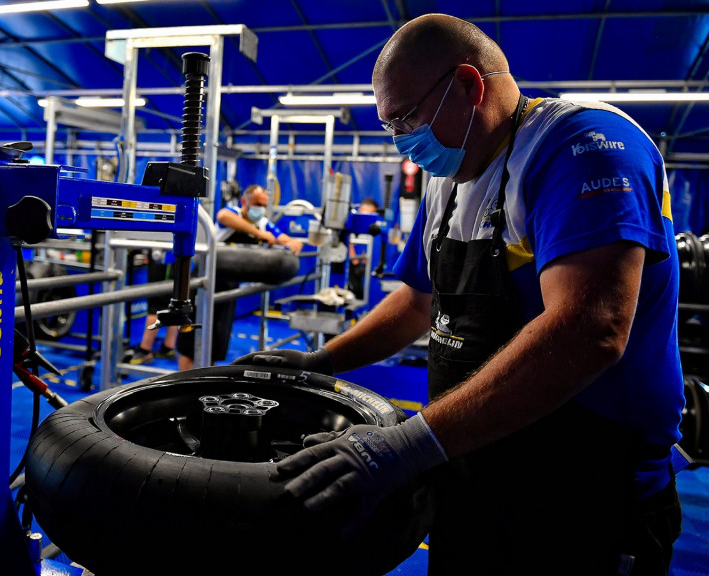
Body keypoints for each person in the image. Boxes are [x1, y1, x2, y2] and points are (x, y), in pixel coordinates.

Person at [233, 13, 684, 576]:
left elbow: (589, 330)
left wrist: (407, 445)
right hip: (471, 458)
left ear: (469, 87)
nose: (400, 140)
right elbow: (419, 302)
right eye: (388, 126)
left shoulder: (584, 147)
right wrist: (321, 361)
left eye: (405, 118)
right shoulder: (448, 179)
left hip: (585, 487)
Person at [176, 184, 304, 371]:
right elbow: (223, 217)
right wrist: (258, 233)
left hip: (228, 287)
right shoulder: (232, 213)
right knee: (191, 339)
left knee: (216, 339)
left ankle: (204, 381)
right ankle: (183, 383)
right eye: (257, 204)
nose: (261, 209)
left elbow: (283, 238)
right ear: (245, 201)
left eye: (264, 205)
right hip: (203, 281)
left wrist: (295, 242)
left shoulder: (262, 222)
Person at [123, 249, 179, 365]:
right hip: (173, 254)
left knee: (156, 305)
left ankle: (145, 351)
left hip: (163, 255)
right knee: (173, 302)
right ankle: (168, 347)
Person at [347, 197, 379, 300]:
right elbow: (348, 240)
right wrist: (355, 261)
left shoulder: (372, 229)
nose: (367, 218)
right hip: (349, 267)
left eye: (370, 215)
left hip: (363, 268)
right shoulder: (351, 223)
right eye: (364, 213)